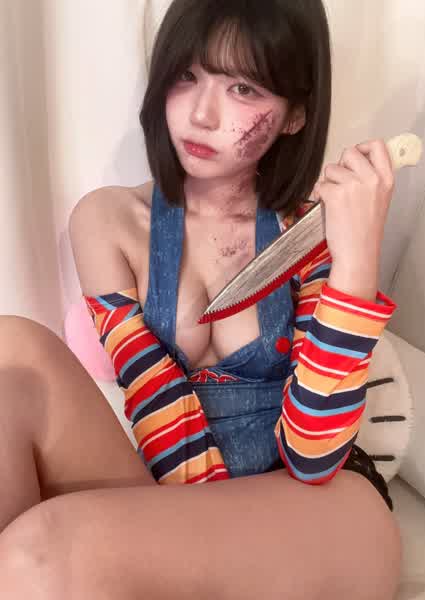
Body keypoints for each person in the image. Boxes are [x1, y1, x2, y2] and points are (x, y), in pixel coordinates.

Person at [0, 1, 402, 598]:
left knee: (43, 549)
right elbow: (152, 395)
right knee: (11, 347)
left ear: (295, 116)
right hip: (176, 492)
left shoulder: (311, 231)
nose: (200, 114)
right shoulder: (111, 220)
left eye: (243, 87)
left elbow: (313, 456)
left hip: (316, 503)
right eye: (186, 76)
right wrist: (182, 548)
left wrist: (356, 260)